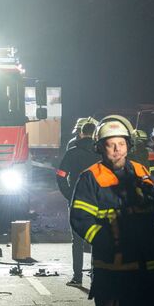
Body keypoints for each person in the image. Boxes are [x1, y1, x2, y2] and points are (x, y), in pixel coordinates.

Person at [70, 115, 154, 306]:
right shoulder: (90, 178)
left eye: (121, 144)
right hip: (114, 275)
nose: (116, 150)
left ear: (128, 145)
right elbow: (80, 219)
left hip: (149, 273)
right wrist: (108, 242)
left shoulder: (142, 172)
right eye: (110, 144)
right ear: (100, 147)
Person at [56, 120, 100, 286]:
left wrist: (69, 194)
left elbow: (60, 175)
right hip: (97, 202)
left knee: (78, 241)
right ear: (95, 134)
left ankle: (77, 278)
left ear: (80, 133)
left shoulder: (72, 153)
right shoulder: (101, 153)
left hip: (77, 202)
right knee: (97, 239)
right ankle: (96, 276)